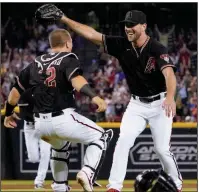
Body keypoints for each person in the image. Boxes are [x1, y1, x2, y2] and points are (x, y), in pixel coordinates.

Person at [34, 4, 183, 192]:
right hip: (137, 104)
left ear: (143, 26)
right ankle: (114, 187)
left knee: (162, 149)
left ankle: (176, 183)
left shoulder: (156, 48)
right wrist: (63, 19)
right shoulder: (121, 44)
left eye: (132, 24)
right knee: (123, 142)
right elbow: (91, 34)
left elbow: (169, 74)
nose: (128, 28)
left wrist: (170, 97)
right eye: (126, 24)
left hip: (160, 103)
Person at [4, 28, 113, 192]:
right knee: (101, 136)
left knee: (60, 149)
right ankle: (87, 172)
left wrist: (8, 114)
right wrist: (94, 96)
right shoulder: (68, 58)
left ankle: (60, 187)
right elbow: (76, 80)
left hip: (40, 125)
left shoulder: (34, 63)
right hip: (62, 118)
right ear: (68, 43)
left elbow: (13, 94)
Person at [18, 90, 51, 189]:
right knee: (33, 158)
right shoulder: (25, 93)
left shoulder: (46, 91)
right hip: (30, 127)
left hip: (44, 126)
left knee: (46, 152)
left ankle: (39, 181)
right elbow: (23, 114)